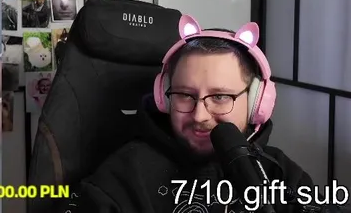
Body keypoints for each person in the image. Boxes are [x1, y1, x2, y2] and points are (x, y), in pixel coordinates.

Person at [75, 15, 336, 213]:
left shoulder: (278, 171)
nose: (200, 115)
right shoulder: (125, 176)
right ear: (163, 97)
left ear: (257, 102)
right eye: (184, 95)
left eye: (220, 97)